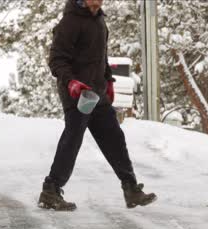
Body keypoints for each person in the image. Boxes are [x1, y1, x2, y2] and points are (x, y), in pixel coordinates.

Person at [38, 0, 157, 211]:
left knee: (114, 139)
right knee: (72, 139)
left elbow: (101, 56)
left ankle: (130, 189)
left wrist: (108, 80)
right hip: (77, 94)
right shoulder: (70, 21)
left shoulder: (99, 20)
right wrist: (71, 82)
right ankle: (51, 190)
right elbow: (56, 60)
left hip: (97, 93)